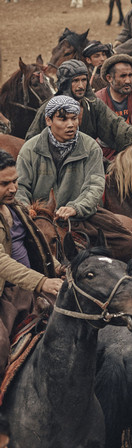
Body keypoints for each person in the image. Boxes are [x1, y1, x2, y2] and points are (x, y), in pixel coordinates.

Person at [17, 96, 132, 260]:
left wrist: (76, 207)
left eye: (74, 118)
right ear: (48, 120)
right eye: (63, 119)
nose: (70, 124)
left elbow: (94, 186)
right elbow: (20, 186)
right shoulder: (30, 149)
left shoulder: (90, 147)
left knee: (127, 242)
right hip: (38, 218)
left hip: (79, 216)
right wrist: (27, 210)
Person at [0, 151, 59, 372]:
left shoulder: (15, 208)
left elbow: (34, 243)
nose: (13, 188)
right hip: (4, 292)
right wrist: (42, 282)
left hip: (27, 286)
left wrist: (57, 266)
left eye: (15, 181)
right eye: (5, 183)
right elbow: (2, 262)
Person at [25, 60, 132, 156]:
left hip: (87, 162)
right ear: (65, 83)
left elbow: (116, 126)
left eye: (84, 80)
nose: (81, 86)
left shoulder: (93, 105)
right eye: (75, 81)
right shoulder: (49, 108)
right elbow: (32, 143)